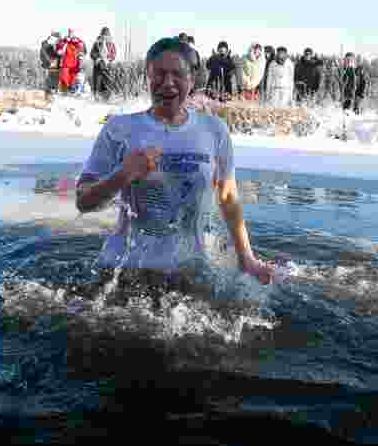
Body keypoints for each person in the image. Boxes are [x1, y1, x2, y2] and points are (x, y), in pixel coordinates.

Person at [75, 37, 275, 285]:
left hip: (190, 269)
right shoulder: (119, 129)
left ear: (191, 80)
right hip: (124, 269)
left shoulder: (213, 130)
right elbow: (83, 201)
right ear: (147, 77)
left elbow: (228, 198)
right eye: (158, 74)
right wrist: (122, 176)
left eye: (177, 74)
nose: (167, 83)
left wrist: (247, 259)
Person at [90, 27, 117, 101]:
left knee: (107, 81)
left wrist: (109, 59)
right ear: (101, 35)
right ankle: (96, 96)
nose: (105, 36)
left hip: (107, 65)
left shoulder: (111, 44)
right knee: (97, 81)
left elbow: (114, 54)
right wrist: (97, 58)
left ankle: (106, 97)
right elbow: (92, 53)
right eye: (104, 34)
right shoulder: (97, 43)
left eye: (107, 34)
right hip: (98, 65)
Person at [56, 29, 86, 93]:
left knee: (73, 77)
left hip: (74, 63)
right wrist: (61, 48)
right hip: (66, 62)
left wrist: (81, 56)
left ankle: (72, 88)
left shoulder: (78, 41)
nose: (71, 33)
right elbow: (59, 49)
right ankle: (65, 88)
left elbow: (82, 50)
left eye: (72, 32)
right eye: (70, 32)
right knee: (65, 76)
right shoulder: (64, 41)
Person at [40, 31, 62, 97]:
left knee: (54, 76)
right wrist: (50, 61)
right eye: (57, 39)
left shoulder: (51, 44)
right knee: (49, 78)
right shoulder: (46, 44)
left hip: (53, 64)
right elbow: (43, 53)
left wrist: (59, 54)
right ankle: (48, 92)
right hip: (48, 64)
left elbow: (54, 54)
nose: (57, 41)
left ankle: (52, 91)